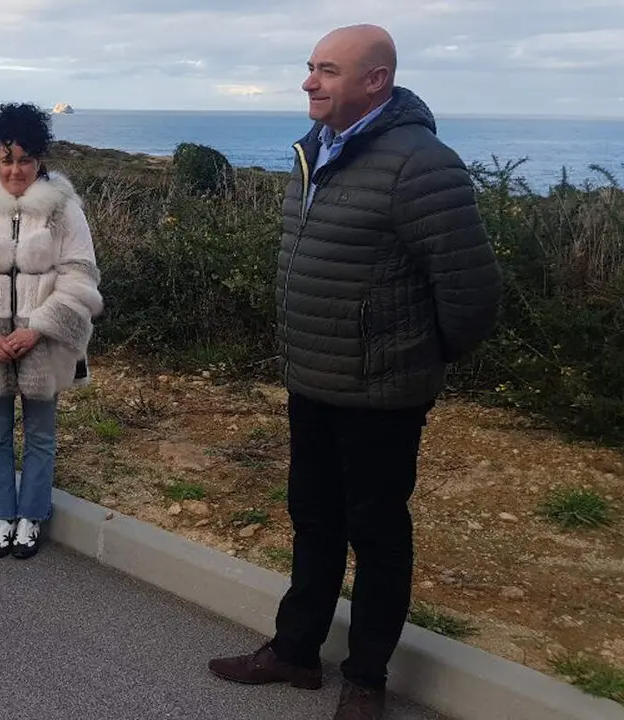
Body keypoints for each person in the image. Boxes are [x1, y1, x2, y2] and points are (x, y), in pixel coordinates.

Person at [207, 24, 502, 720]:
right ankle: (294, 651)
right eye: (310, 68)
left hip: (380, 392)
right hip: (311, 378)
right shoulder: (315, 151)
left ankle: (365, 679)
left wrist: (411, 357)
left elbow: (472, 294)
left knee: (375, 534)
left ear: (376, 81)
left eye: (327, 71)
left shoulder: (419, 163)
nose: (309, 81)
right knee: (312, 519)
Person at [0, 103, 102, 560]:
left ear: (39, 160)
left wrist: (37, 330)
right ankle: (1, 518)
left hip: (43, 347)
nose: (15, 169)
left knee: (41, 436)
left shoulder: (63, 210)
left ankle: (31, 517)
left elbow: (80, 277)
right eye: (7, 159)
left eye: (25, 159)